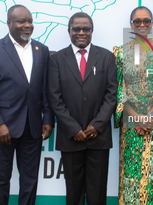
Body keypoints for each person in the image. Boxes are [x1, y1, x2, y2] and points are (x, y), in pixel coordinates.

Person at [0, 5, 54, 205]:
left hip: (32, 128)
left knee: (30, 180)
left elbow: (44, 88)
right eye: (22, 21)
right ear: (9, 23)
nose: (27, 25)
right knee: (1, 179)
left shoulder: (42, 50)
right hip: (4, 128)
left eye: (30, 21)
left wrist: (47, 119)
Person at [48, 12, 117, 205]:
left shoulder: (106, 57)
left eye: (85, 28)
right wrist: (73, 129)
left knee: (97, 194)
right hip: (71, 138)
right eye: (76, 29)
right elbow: (54, 98)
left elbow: (112, 95)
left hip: (99, 137)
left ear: (92, 31)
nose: (81, 32)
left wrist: (97, 125)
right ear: (68, 31)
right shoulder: (56, 59)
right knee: (74, 193)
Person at [113, 6, 153, 204]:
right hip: (132, 123)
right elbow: (119, 88)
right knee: (131, 175)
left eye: (146, 21)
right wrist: (137, 117)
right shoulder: (120, 53)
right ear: (131, 24)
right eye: (137, 21)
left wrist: (149, 116)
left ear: (152, 24)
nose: (142, 24)